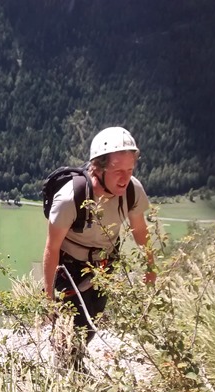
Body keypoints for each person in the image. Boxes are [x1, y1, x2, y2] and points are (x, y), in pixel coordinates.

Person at [42, 126, 156, 369]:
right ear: (97, 167)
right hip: (69, 268)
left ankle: (72, 364)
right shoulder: (70, 198)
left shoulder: (132, 191)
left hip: (105, 266)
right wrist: (48, 297)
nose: (125, 178)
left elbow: (140, 231)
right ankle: (69, 372)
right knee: (75, 325)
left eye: (130, 170)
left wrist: (151, 266)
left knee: (92, 318)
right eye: (117, 171)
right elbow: (52, 248)